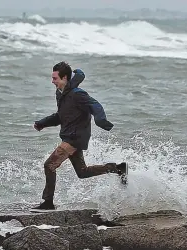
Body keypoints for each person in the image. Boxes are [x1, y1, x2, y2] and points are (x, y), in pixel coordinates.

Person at [32, 62, 128, 210]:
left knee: (49, 165)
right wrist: (42, 123)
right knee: (82, 172)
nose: (52, 81)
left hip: (74, 138)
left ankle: (48, 202)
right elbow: (61, 116)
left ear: (64, 78)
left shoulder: (78, 94)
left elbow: (95, 105)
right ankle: (118, 168)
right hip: (70, 136)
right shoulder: (60, 94)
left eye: (55, 78)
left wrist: (101, 120)